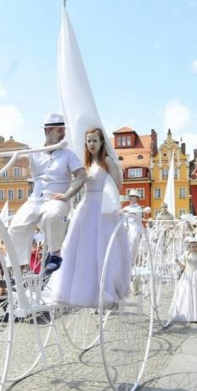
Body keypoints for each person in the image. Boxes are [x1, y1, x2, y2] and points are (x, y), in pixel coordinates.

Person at [0, 113, 87, 276]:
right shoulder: (36, 152)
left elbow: (82, 176)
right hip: (35, 200)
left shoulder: (68, 155)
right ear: (48, 132)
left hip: (57, 199)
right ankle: (19, 270)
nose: (63, 134)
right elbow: (19, 161)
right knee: (15, 227)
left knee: (51, 216)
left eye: (63, 130)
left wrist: (67, 195)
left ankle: (55, 254)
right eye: (60, 130)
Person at [49, 128, 130, 308]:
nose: (91, 144)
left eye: (94, 140)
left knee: (101, 247)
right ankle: (81, 290)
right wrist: (65, 195)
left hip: (102, 208)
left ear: (102, 142)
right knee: (80, 248)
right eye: (88, 141)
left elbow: (118, 185)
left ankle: (104, 291)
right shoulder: (84, 163)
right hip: (85, 206)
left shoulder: (106, 160)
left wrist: (112, 203)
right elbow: (77, 183)